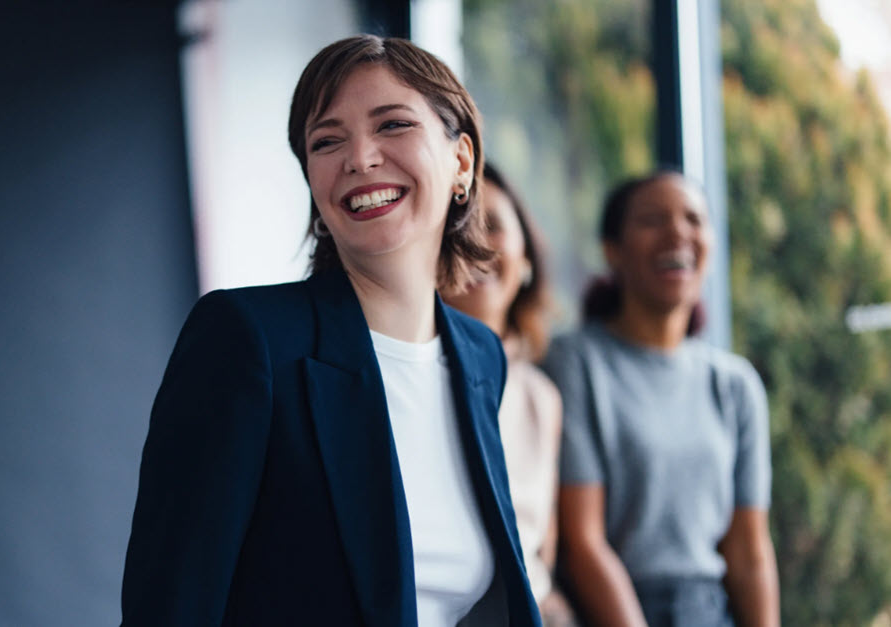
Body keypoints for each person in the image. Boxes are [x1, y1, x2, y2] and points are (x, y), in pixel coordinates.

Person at [121, 35, 540, 626]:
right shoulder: (247, 339)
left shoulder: (480, 357)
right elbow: (171, 608)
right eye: (327, 140)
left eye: (392, 125)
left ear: (461, 163)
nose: (360, 157)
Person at [542, 171, 779, 626]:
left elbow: (749, 551)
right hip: (611, 610)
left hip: (710, 610)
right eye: (652, 220)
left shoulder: (735, 384)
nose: (678, 233)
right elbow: (583, 544)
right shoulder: (575, 363)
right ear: (613, 251)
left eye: (694, 219)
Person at [442, 163, 574, 626]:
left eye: (493, 225)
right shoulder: (406, 376)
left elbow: (543, 554)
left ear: (526, 261)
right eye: (458, 224)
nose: (476, 241)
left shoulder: (542, 397)